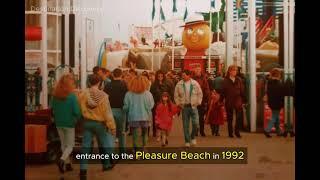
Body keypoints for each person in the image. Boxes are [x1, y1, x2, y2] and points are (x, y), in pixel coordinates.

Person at [78, 74, 116, 179]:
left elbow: (79, 108)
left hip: (87, 123)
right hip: (100, 124)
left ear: (89, 82)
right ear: (99, 83)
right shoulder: (104, 96)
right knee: (105, 143)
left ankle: (83, 171)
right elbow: (107, 113)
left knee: (85, 147)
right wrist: (112, 127)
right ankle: (110, 161)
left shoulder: (83, 94)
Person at [50, 74, 81, 174]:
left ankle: (67, 165)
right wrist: (78, 117)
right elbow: (76, 111)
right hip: (69, 123)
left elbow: (52, 110)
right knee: (70, 145)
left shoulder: (54, 95)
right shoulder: (72, 96)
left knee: (63, 144)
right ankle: (62, 160)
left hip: (59, 123)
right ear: (70, 84)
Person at [123, 75, 154, 150]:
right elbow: (151, 106)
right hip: (145, 116)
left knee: (135, 135)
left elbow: (126, 107)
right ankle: (144, 148)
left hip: (133, 117)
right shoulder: (148, 94)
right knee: (144, 133)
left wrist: (125, 110)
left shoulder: (129, 94)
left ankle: (136, 150)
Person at [174, 69, 203, 147]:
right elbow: (176, 95)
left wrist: (198, 102)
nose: (182, 76)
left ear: (188, 75)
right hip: (185, 107)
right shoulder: (179, 84)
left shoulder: (195, 83)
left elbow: (200, 94)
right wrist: (178, 104)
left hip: (193, 106)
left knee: (196, 124)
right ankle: (187, 141)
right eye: (182, 75)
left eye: (184, 75)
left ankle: (192, 137)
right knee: (185, 125)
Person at [104, 68, 128, 152]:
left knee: (111, 132)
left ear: (112, 75)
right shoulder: (124, 85)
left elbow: (104, 99)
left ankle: (110, 152)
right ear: (121, 75)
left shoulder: (107, 85)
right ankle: (122, 152)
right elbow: (126, 99)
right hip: (121, 111)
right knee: (121, 132)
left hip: (109, 111)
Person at [220, 65, 246, 138]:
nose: (235, 72)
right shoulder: (225, 80)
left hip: (238, 101)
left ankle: (237, 131)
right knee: (230, 118)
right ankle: (230, 133)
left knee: (238, 118)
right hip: (229, 101)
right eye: (233, 70)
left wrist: (244, 100)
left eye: (236, 70)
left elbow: (242, 90)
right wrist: (221, 100)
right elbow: (223, 92)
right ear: (229, 71)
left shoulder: (239, 80)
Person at [150, 70, 173, 139]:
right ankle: (156, 132)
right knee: (156, 119)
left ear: (163, 76)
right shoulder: (154, 84)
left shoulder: (168, 83)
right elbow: (151, 94)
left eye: (161, 76)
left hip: (165, 104)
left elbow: (171, 94)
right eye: (159, 76)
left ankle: (163, 133)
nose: (160, 77)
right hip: (156, 104)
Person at [264, 68, 285, 138]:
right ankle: (267, 130)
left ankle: (279, 131)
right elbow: (281, 94)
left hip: (271, 102)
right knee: (274, 117)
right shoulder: (278, 83)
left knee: (276, 117)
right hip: (277, 103)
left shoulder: (269, 82)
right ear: (278, 75)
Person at [192, 67, 210, 136]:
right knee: (195, 117)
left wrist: (207, 100)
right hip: (194, 101)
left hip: (202, 101)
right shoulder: (192, 79)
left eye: (198, 71)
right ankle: (196, 131)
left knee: (201, 117)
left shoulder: (204, 80)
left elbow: (206, 90)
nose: (197, 72)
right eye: (196, 71)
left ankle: (202, 131)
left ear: (200, 72)